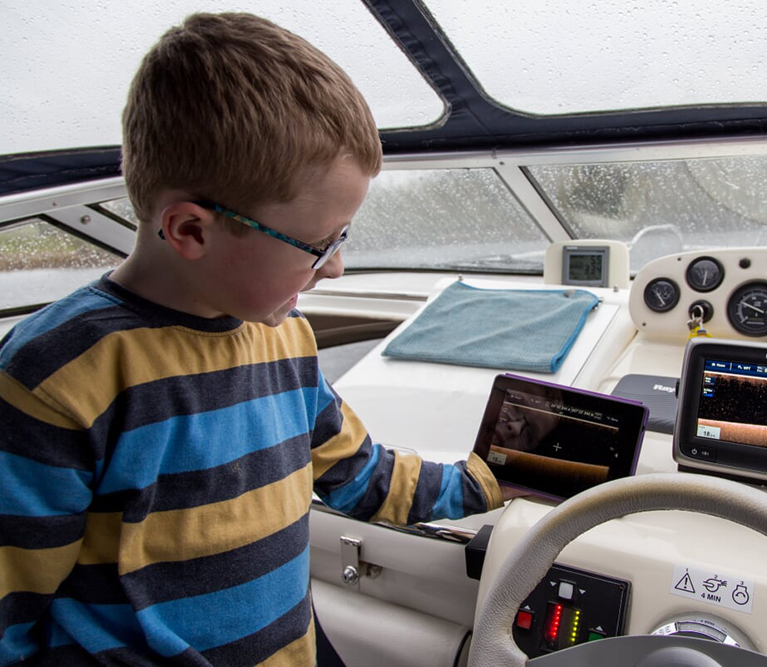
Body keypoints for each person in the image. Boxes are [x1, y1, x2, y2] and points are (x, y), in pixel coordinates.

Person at [0, 13, 509, 666]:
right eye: (319, 244)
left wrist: (496, 476)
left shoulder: (288, 342)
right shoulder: (54, 379)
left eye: (343, 238)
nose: (336, 266)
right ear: (190, 231)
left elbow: (367, 481)